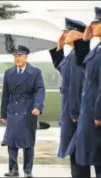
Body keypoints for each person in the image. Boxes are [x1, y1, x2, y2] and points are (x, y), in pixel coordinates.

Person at [49, 18, 90, 177]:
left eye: (67, 32)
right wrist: (57, 49)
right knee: (75, 154)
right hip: (71, 113)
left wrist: (74, 113)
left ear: (77, 34)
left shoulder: (79, 56)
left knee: (78, 153)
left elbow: (76, 86)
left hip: (75, 114)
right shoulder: (73, 55)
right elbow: (62, 68)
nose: (64, 34)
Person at [0, 45, 45, 178]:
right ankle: (13, 169)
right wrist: (3, 113)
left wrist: (38, 107)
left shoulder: (35, 72)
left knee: (28, 141)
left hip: (29, 110)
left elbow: (40, 90)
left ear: (26, 56)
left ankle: (27, 170)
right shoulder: (9, 73)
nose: (17, 58)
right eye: (15, 56)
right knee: (11, 140)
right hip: (13, 109)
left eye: (20, 55)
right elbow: (5, 94)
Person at [72, 6, 101, 178]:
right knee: (95, 160)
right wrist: (84, 41)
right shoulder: (97, 49)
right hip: (91, 115)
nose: (92, 25)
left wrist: (99, 114)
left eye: (97, 22)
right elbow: (83, 64)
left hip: (97, 117)